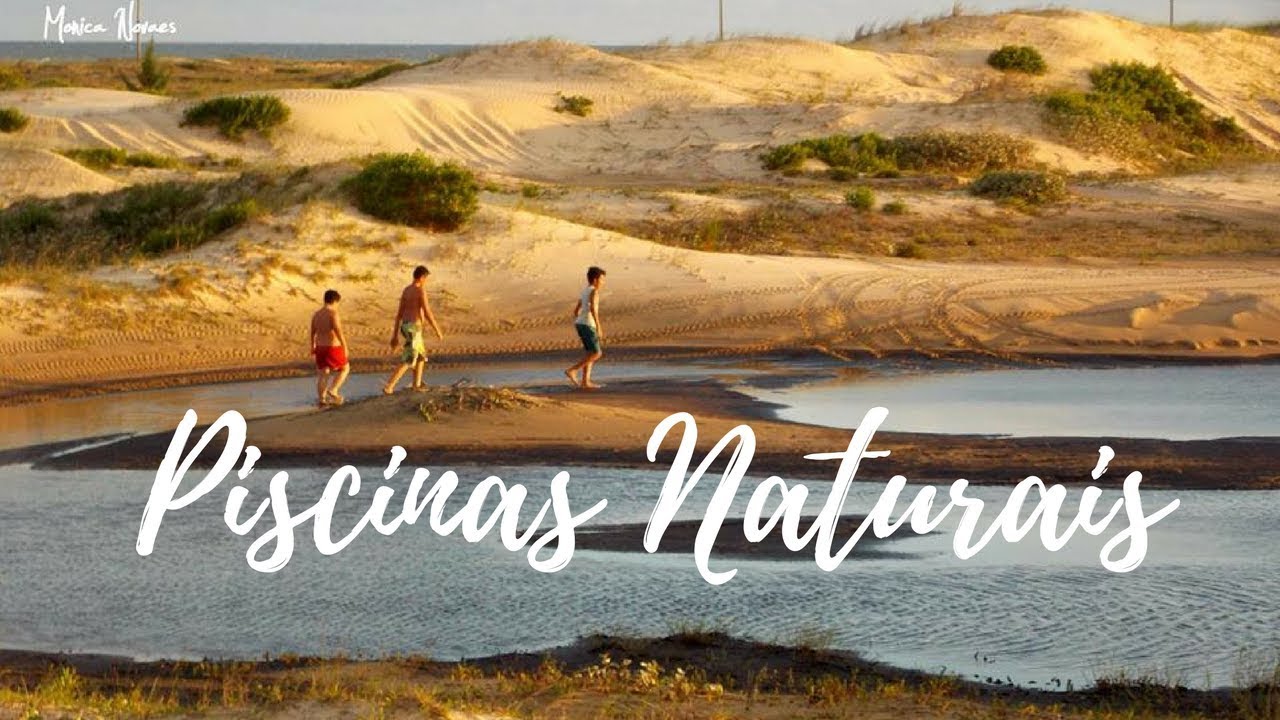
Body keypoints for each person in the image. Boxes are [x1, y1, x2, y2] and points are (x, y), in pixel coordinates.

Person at [384, 265, 444, 394]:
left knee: (421, 356)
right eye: (425, 278)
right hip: (413, 328)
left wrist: (395, 335)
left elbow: (399, 314)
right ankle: (389, 386)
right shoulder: (420, 290)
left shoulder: (406, 290)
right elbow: (427, 312)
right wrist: (437, 330)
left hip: (406, 326)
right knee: (409, 358)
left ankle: (416, 385)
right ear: (422, 277)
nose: (425, 281)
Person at [565, 266, 606, 390]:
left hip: (581, 323)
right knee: (597, 353)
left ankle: (585, 381)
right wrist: (598, 326)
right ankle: (573, 370)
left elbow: (576, 310)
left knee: (590, 353)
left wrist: (581, 318)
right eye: (602, 279)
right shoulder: (594, 291)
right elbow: (593, 309)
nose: (603, 282)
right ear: (595, 280)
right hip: (588, 324)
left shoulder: (585, 290)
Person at [310, 289, 351, 407]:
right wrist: (345, 346)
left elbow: (313, 332)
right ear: (335, 301)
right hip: (332, 347)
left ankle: (322, 400)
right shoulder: (333, 313)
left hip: (320, 347)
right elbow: (338, 331)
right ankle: (334, 389)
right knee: (345, 368)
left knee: (323, 374)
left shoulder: (316, 314)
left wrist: (312, 345)